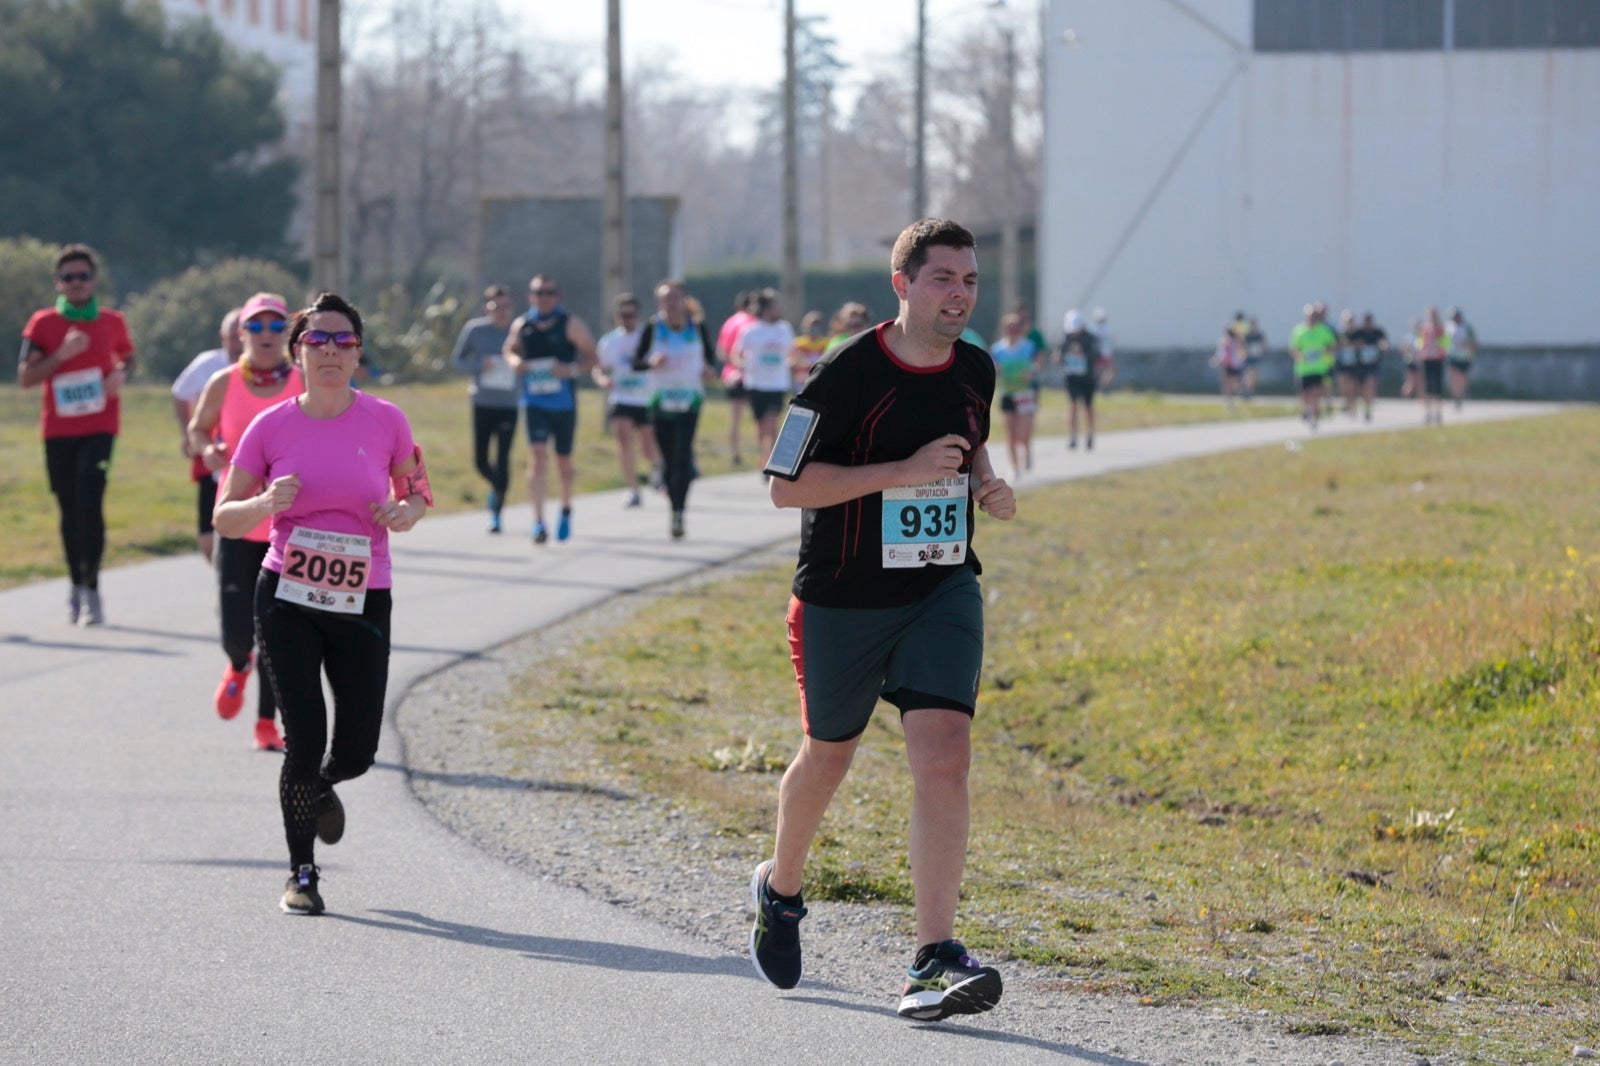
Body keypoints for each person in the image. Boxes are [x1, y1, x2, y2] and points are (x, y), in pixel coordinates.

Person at [753, 218, 1014, 1023]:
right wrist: (897, 474)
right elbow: (784, 487)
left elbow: (969, 447)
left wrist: (986, 485)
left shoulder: (977, 368)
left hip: (940, 591)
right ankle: (780, 886)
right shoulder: (842, 374)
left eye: (969, 281)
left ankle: (932, 957)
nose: (959, 296)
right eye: (943, 280)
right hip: (841, 599)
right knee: (827, 757)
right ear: (902, 285)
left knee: (945, 756)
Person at [212, 292, 431, 916]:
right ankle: (301, 874)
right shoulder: (270, 426)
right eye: (318, 341)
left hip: (364, 596)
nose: (330, 350)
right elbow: (225, 517)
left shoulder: (388, 421)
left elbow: (417, 492)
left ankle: (323, 787)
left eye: (343, 341)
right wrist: (263, 506)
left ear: (358, 353)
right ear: (297, 351)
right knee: (302, 739)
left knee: (357, 749)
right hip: (287, 594)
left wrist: (404, 512)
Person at [187, 293, 303, 750]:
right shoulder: (223, 382)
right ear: (242, 335)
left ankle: (266, 724)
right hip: (236, 520)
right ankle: (237, 664)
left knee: (278, 630)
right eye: (256, 327)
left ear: (288, 335)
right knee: (238, 629)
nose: (267, 335)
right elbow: (198, 428)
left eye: (276, 327)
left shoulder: (302, 382)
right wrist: (208, 449)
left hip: (289, 526)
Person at [17, 244, 136, 626]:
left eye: (83, 276)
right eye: (69, 278)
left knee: (90, 495)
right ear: (59, 283)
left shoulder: (112, 321)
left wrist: (122, 374)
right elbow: (26, 378)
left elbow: (128, 357)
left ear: (94, 280)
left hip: (101, 425)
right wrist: (62, 355)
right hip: (58, 429)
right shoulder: (43, 323)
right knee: (70, 509)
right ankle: (76, 585)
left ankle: (94, 589)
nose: (77, 284)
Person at [504, 274, 597, 544]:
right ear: (530, 296)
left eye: (549, 292)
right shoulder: (523, 324)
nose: (544, 297)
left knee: (563, 462)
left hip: (564, 404)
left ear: (557, 296)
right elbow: (509, 350)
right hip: (534, 402)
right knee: (538, 456)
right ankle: (538, 521)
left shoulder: (571, 324)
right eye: (538, 292)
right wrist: (515, 362)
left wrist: (570, 370)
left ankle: (566, 509)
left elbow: (592, 358)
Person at [633, 280, 718, 539]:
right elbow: (637, 362)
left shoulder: (697, 326)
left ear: (683, 300)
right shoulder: (653, 327)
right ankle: (674, 507)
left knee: (683, 455)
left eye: (676, 297)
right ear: (660, 303)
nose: (672, 303)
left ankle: (679, 512)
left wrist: (708, 371)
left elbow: (711, 360)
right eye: (666, 299)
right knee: (669, 460)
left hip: (690, 401)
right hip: (661, 402)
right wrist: (651, 362)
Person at [171, 308, 242, 564]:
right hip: (213, 454)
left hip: (250, 460)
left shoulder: (271, 371)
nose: (237, 343)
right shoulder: (208, 365)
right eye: (232, 336)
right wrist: (188, 434)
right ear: (223, 338)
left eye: (241, 334)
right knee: (208, 539)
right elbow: (179, 393)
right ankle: (224, 577)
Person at [450, 284, 519, 532]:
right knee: (480, 461)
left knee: (502, 458)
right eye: (496, 307)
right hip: (482, 402)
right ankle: (498, 487)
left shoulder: (518, 331)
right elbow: (457, 360)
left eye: (505, 307)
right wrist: (481, 365)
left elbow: (529, 361)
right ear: (486, 308)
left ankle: (497, 512)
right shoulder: (476, 330)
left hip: (509, 404)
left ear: (512, 308)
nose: (501, 312)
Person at [592, 292, 659, 507]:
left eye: (630, 314)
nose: (626, 319)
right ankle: (632, 489)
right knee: (623, 439)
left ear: (637, 314)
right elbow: (599, 368)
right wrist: (602, 379)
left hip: (646, 398)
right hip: (621, 397)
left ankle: (657, 468)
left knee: (648, 447)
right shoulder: (609, 341)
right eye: (622, 315)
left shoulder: (649, 336)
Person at [732, 289, 795, 474]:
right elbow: (736, 353)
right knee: (761, 427)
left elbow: (792, 352)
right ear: (766, 309)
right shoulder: (751, 331)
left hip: (777, 384)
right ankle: (764, 455)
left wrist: (793, 362)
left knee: (772, 423)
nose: (779, 308)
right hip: (756, 383)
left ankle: (771, 463)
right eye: (775, 305)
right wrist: (740, 364)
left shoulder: (784, 329)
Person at [989, 312, 1044, 477]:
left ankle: (1026, 451)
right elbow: (993, 366)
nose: (1012, 330)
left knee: (1023, 433)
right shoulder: (998, 349)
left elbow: (1039, 362)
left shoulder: (1028, 346)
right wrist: (996, 371)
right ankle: (1014, 466)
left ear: (1020, 329)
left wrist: (1032, 371)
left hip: (1025, 393)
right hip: (1007, 393)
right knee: (1011, 433)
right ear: (1004, 329)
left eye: (1015, 327)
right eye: (1008, 327)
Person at [716, 291, 756, 467]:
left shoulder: (729, 322)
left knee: (735, 418)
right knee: (761, 418)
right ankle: (763, 455)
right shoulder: (753, 324)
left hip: (731, 374)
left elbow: (722, 351)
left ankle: (735, 454)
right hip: (750, 374)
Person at [1288, 303, 1336, 429]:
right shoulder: (1298, 331)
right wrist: (1300, 356)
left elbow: (1332, 345)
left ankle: (1313, 417)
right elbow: (1293, 349)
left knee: (1315, 392)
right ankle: (1307, 410)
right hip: (1303, 369)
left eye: (1314, 316)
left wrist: (1325, 353)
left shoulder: (1324, 330)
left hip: (1319, 368)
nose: (1312, 318)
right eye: (1309, 316)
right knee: (1305, 393)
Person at [1059, 310, 1101, 449]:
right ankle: (1072, 436)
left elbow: (1097, 355)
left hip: (1087, 378)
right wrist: (1059, 356)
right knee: (1072, 406)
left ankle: (1090, 434)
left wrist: (1082, 352)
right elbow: (1060, 352)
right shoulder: (1066, 338)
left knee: (1088, 407)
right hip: (1072, 377)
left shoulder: (1090, 338)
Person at [1347, 311, 1389, 422]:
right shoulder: (1358, 332)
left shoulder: (1378, 332)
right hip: (1359, 365)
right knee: (1358, 388)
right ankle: (1354, 408)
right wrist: (1358, 345)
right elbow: (1349, 345)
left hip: (1372, 365)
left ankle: (1368, 410)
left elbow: (1384, 343)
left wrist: (1383, 347)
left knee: (1369, 385)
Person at [1415, 305, 1449, 424]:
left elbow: (1445, 343)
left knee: (1438, 386)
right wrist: (1420, 352)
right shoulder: (1424, 328)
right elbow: (1419, 342)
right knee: (1427, 386)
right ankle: (1428, 412)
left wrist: (1443, 351)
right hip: (1427, 359)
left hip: (1438, 359)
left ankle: (1438, 412)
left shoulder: (1440, 328)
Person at [1446, 307, 1477, 412]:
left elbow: (1474, 342)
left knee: (1463, 378)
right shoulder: (1448, 327)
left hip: (1464, 357)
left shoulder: (1467, 327)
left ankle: (1462, 392)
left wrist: (1468, 346)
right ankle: (1456, 398)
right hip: (1452, 356)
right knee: (1453, 378)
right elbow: (1443, 342)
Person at [789, 310, 830, 389]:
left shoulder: (826, 343)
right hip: (801, 384)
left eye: (817, 324)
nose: (814, 327)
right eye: (812, 325)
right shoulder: (798, 343)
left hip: (819, 382)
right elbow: (791, 363)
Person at [1211, 322, 1245, 408]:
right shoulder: (1236, 341)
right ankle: (1231, 397)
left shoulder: (1225, 341)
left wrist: (1217, 360)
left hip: (1229, 364)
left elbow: (1220, 353)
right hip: (1234, 364)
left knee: (1228, 383)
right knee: (1233, 383)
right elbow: (1242, 352)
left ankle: (1229, 398)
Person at [1089, 307, 1117, 390]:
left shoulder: (1093, 329)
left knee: (1101, 372)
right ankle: (1101, 386)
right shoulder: (1097, 329)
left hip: (1102, 354)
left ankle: (1100, 386)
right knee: (1108, 371)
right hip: (1102, 354)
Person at [1242, 315, 1266, 401]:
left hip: (1256, 357)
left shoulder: (1259, 335)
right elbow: (1243, 345)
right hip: (1248, 357)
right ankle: (1246, 390)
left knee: (1254, 376)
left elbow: (1263, 344)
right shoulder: (1247, 335)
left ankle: (1250, 391)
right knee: (1248, 375)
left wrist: (1261, 351)